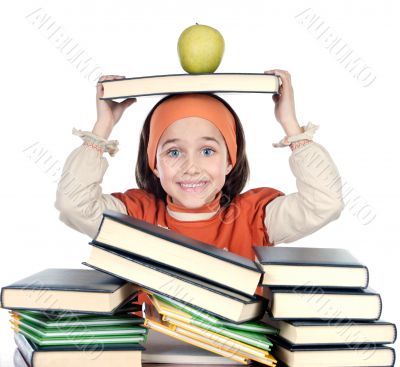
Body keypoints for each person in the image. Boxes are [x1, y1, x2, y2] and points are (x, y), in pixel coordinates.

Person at [55, 70, 344, 261]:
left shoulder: (253, 218)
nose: (191, 167)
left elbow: (324, 203)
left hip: (239, 355)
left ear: (230, 160)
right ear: (153, 164)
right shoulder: (137, 216)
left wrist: (292, 127)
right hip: (155, 354)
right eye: (173, 152)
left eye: (207, 150)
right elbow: (73, 205)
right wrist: (101, 129)